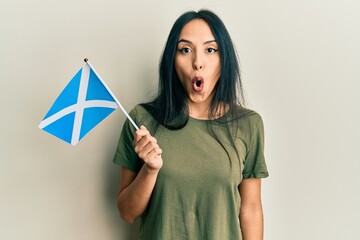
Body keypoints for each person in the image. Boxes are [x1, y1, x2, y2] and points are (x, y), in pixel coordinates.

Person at [113, 9, 269, 240]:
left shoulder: (248, 125)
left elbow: (251, 209)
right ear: (172, 61)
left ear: (224, 59)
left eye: (210, 50)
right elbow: (127, 213)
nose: (198, 62)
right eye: (185, 50)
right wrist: (150, 170)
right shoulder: (142, 121)